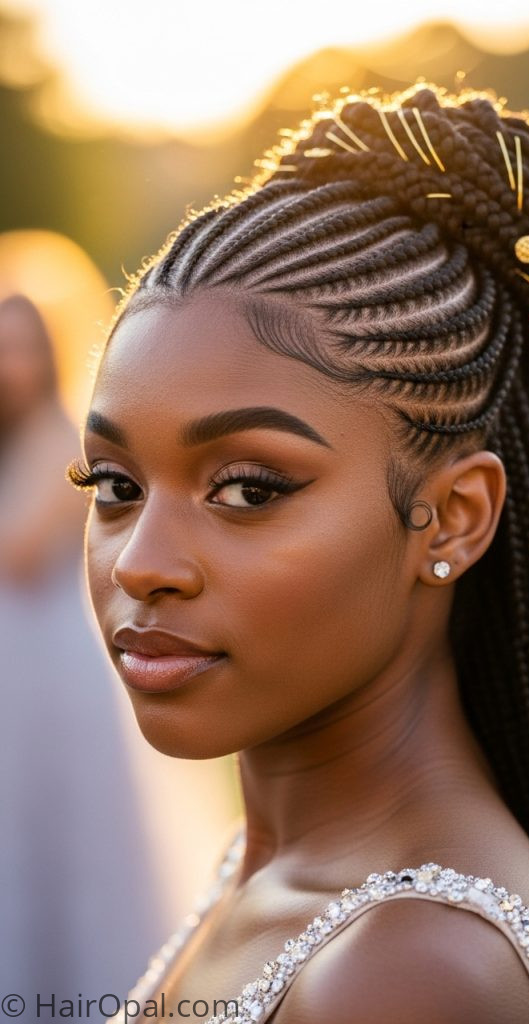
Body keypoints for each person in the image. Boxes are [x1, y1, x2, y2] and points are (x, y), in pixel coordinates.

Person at [68, 84, 529, 1024]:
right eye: (115, 486)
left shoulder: (408, 972)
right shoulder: (295, 871)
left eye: (248, 489)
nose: (140, 563)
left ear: (451, 518)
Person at [0, 294, 164, 1009]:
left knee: (55, 830)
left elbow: (21, 549)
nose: (11, 365)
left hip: (48, 669)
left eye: (22, 348)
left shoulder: (65, 440)